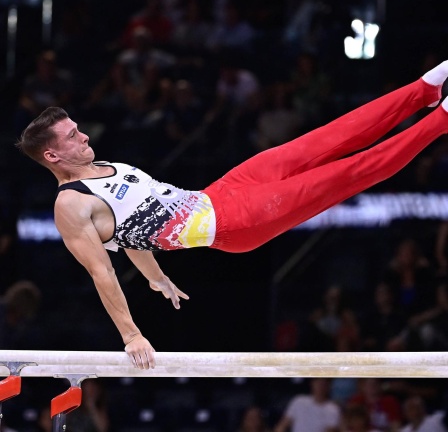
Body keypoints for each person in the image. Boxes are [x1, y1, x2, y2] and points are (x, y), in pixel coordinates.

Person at [15, 60, 448, 370]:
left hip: (219, 194)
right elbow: (102, 272)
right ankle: (440, 120)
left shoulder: (101, 168)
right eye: (73, 136)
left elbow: (130, 234)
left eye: (78, 128)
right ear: (52, 154)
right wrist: (131, 334)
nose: (85, 134)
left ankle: (423, 91)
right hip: (234, 223)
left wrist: (156, 277)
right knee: (347, 173)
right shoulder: (70, 204)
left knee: (319, 142)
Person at [274, 378, 341, 432]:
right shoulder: (299, 401)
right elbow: (282, 425)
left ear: (329, 386)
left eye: (324, 384)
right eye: (318, 383)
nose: (320, 387)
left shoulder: (333, 408)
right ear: (312, 384)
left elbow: (330, 429)